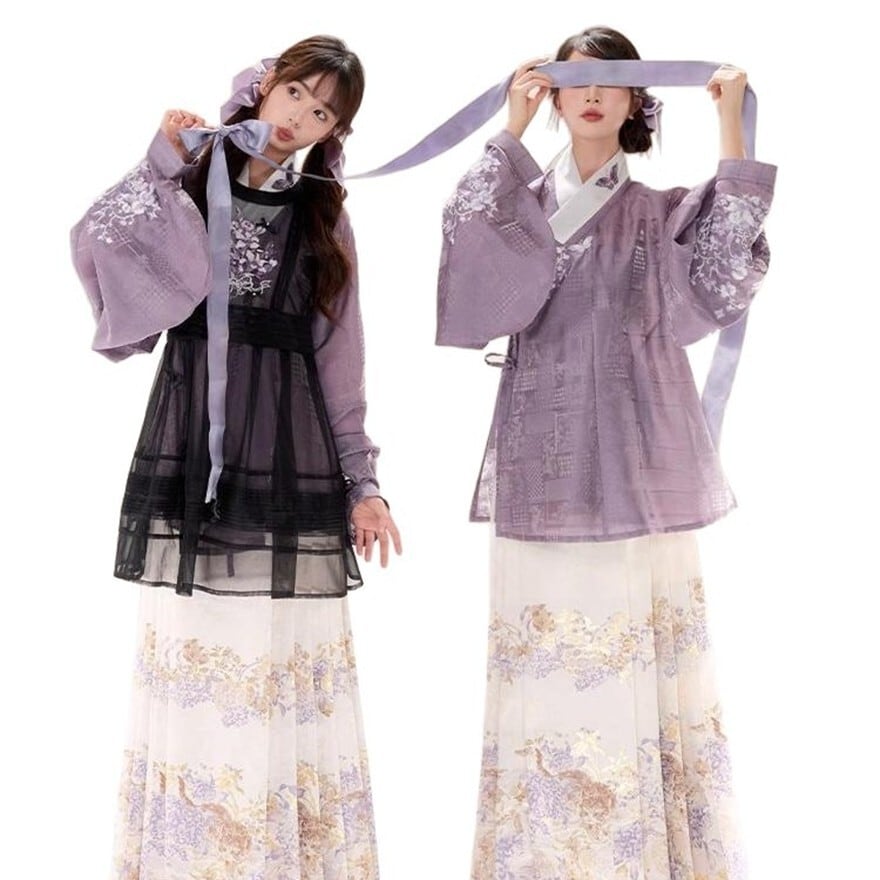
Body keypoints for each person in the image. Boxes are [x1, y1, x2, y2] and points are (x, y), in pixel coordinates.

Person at [437, 26, 774, 879]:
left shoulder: (658, 212)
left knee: (634, 654)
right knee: (546, 655)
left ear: (635, 101)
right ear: (553, 93)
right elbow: (464, 240)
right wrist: (510, 130)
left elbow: (726, 272)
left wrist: (731, 124)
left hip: (635, 457)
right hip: (542, 451)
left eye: (611, 81)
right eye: (575, 80)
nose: (591, 95)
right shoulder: (520, 205)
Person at [71, 35, 400, 878]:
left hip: (289, 454)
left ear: (333, 132)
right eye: (296, 94)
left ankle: (277, 857)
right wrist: (158, 158)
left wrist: (364, 484)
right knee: (195, 643)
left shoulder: (323, 218)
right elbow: (97, 244)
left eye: (323, 113)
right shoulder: (187, 182)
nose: (301, 117)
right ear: (265, 86)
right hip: (190, 446)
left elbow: (341, 363)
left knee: (274, 650)